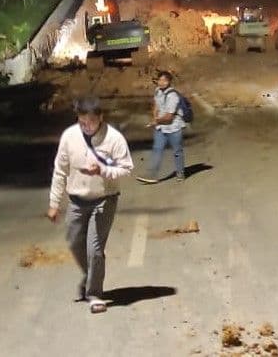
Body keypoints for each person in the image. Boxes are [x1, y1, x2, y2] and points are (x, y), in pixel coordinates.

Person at [47, 95, 133, 314]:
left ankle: (95, 294)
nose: (86, 127)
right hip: (76, 200)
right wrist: (54, 203)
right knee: (75, 242)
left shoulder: (114, 139)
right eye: (82, 122)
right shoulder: (69, 136)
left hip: (104, 199)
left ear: (101, 118)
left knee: (94, 249)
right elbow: (60, 170)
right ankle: (90, 275)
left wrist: (102, 170)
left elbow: (126, 168)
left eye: (91, 123)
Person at [136, 71, 186, 184]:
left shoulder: (173, 95)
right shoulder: (158, 91)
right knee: (157, 149)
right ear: (157, 80)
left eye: (165, 80)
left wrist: (155, 121)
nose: (162, 83)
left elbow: (169, 117)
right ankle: (152, 175)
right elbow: (156, 105)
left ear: (169, 82)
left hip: (174, 127)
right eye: (160, 80)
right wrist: (155, 117)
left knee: (177, 151)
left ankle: (180, 172)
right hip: (161, 127)